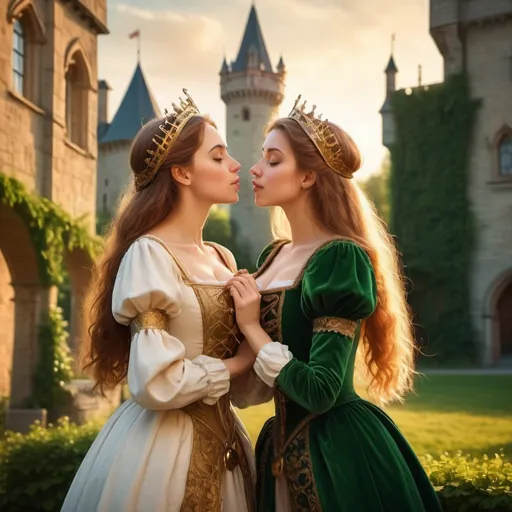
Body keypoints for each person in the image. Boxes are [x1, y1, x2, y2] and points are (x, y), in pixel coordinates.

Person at [226, 95, 443, 511]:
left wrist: (252, 326)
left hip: (340, 455)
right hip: (280, 453)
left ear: (307, 177)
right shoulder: (270, 258)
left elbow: (321, 391)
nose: (254, 169)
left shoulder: (339, 259)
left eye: (273, 160)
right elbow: (251, 390)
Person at [61, 90, 256, 512]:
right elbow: (153, 382)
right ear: (182, 174)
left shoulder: (223, 259)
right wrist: (240, 360)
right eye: (219, 157)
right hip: (165, 452)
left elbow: (242, 390)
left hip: (228, 447)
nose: (236, 165)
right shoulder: (149, 254)